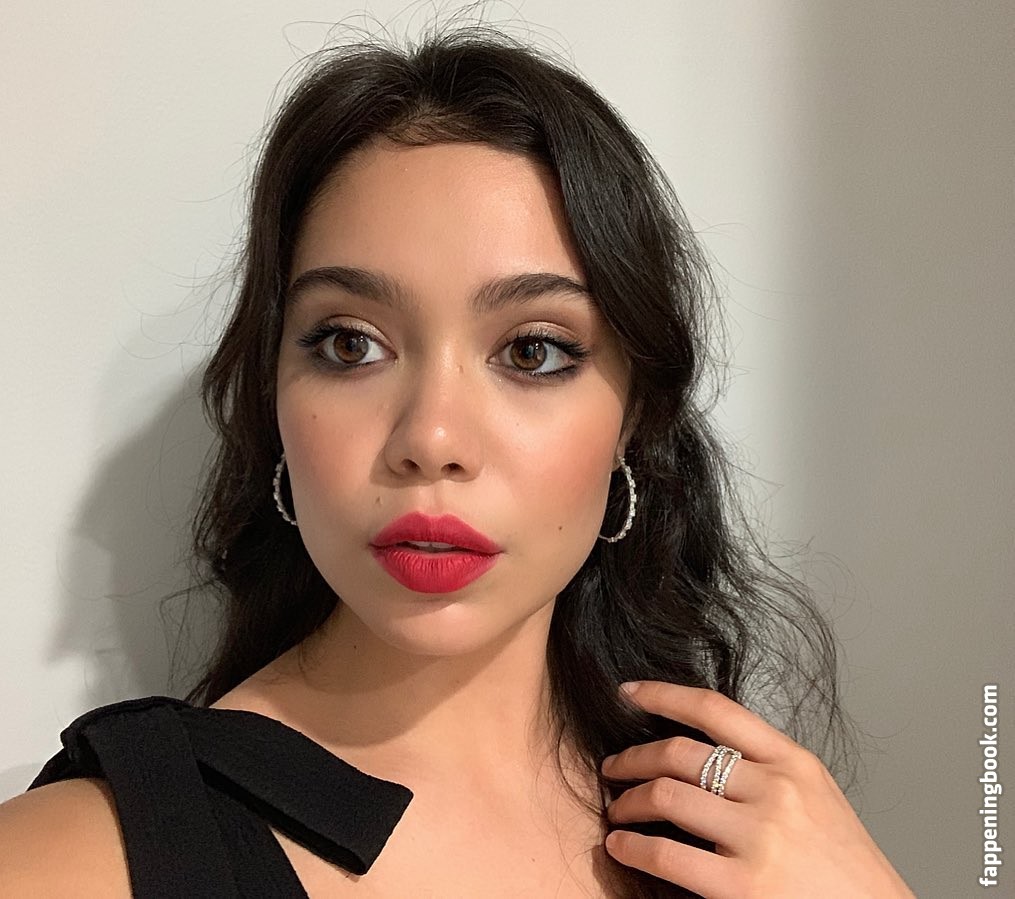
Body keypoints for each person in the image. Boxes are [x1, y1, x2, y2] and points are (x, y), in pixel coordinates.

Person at [0, 25, 914, 899]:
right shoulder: (76, 860)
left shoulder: (745, 842)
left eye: (532, 351)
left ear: (633, 417)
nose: (431, 439)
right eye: (351, 344)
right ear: (273, 396)